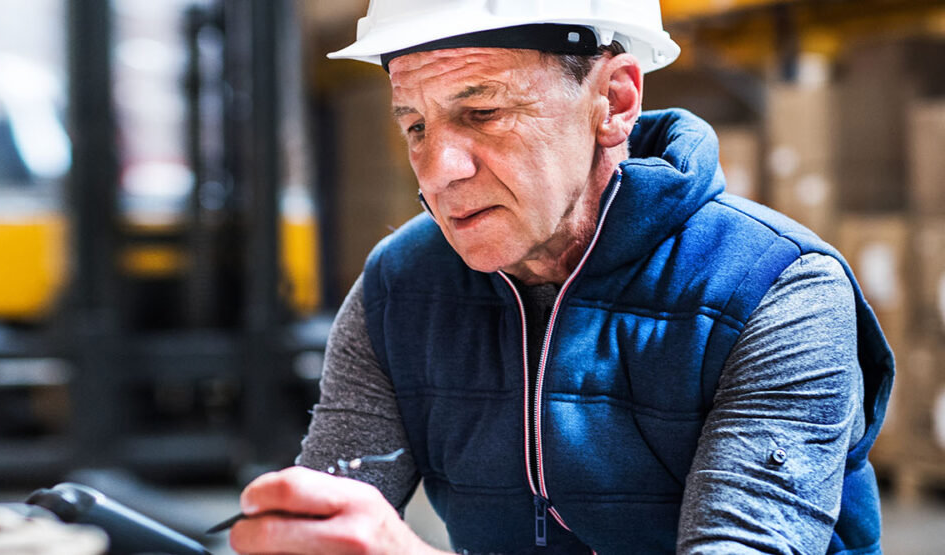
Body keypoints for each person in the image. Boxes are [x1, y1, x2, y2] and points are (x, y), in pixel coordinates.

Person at [228, 1, 894, 553]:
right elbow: (330, 517)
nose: (437, 170)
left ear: (614, 98)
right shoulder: (400, 290)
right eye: (416, 125)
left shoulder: (774, 290)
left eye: (482, 113)